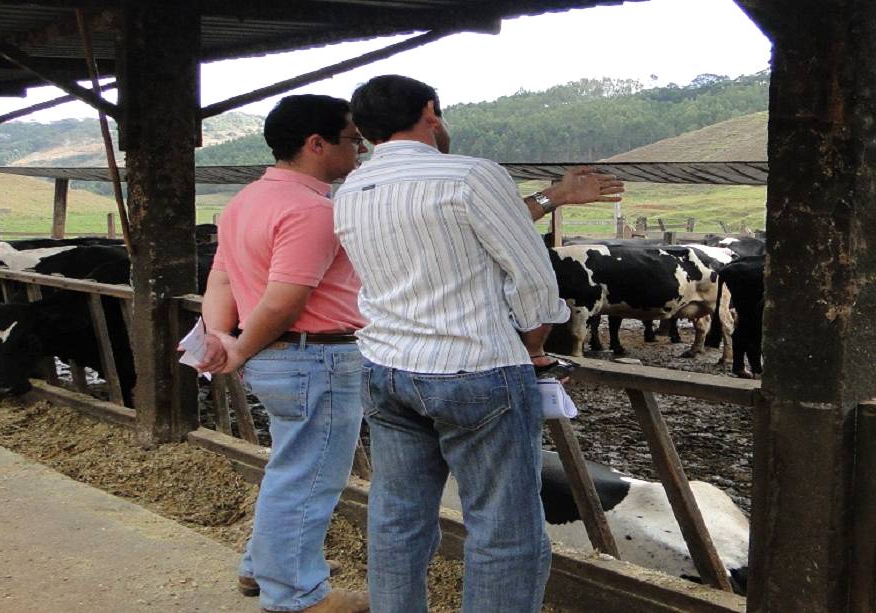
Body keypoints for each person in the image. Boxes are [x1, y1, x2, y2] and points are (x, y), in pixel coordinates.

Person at [332, 74, 623, 613]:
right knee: (503, 528)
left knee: (397, 516)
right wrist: (535, 340)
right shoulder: (471, 175)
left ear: (365, 132)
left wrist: (552, 194)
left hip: (386, 367)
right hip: (476, 369)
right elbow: (535, 279)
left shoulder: (351, 190)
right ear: (430, 111)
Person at [193, 94, 370, 613]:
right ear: (317, 144)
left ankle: (262, 567)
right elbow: (285, 300)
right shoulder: (312, 211)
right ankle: (296, 595)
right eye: (351, 140)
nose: (358, 150)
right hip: (315, 356)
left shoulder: (245, 201)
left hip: (274, 360)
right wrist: (237, 347)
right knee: (312, 474)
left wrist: (217, 337)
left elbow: (222, 276)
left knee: (291, 465)